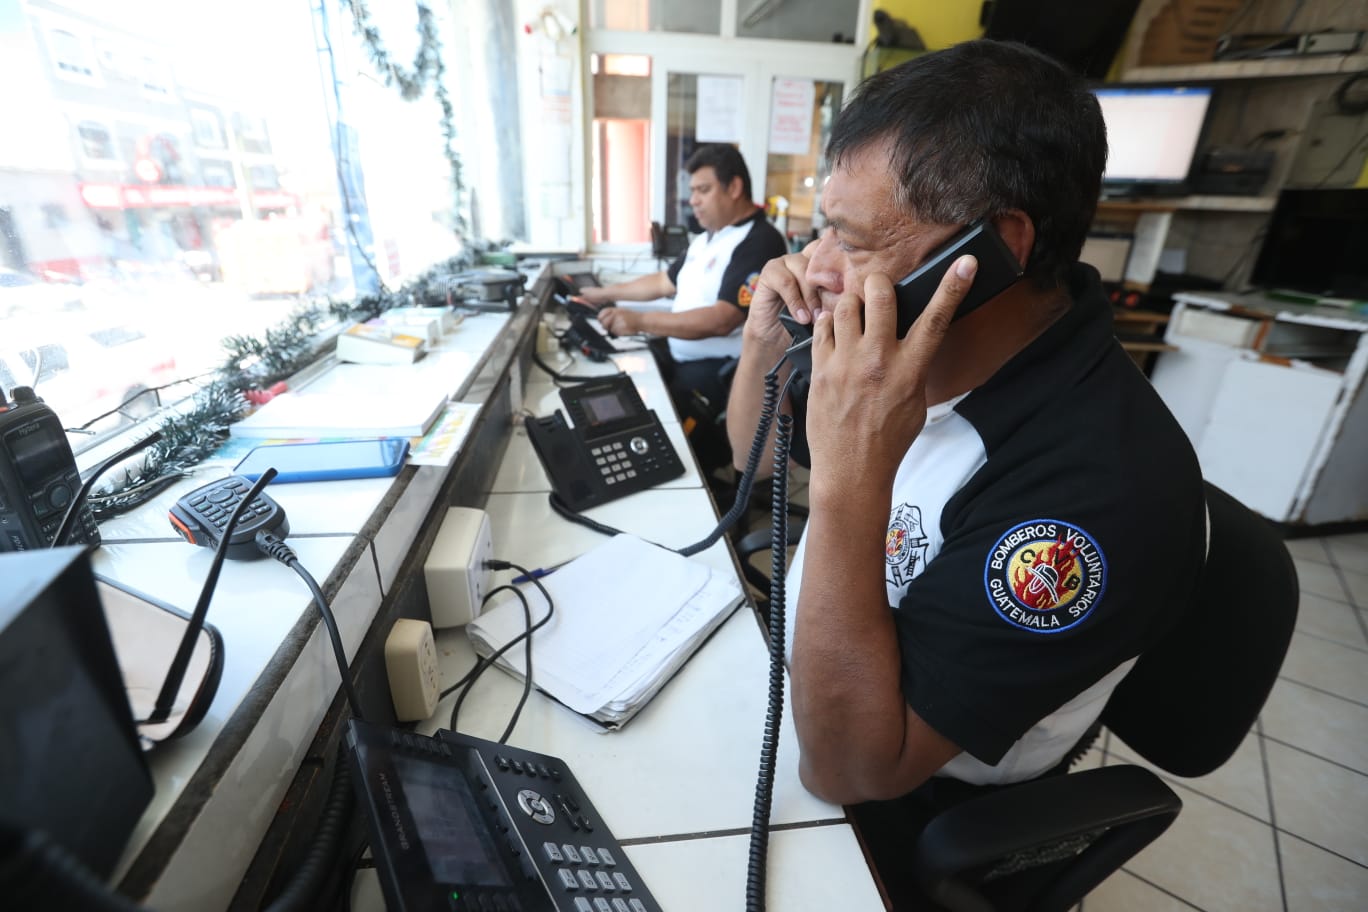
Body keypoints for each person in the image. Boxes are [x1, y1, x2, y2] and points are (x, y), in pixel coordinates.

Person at [724, 40, 1208, 906]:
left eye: (855, 239)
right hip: (806, 675)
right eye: (822, 227)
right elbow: (746, 456)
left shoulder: (1100, 492)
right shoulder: (915, 355)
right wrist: (768, 335)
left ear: (984, 256)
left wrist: (847, 479)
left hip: (896, 792)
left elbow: (851, 769)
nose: (821, 266)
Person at [574, 144, 788, 476]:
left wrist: (642, 321)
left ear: (734, 187)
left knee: (664, 438)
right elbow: (662, 282)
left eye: (703, 190)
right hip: (684, 364)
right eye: (692, 192)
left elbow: (723, 319)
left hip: (721, 375)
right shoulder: (707, 240)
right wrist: (601, 294)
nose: (694, 201)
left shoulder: (760, 242)